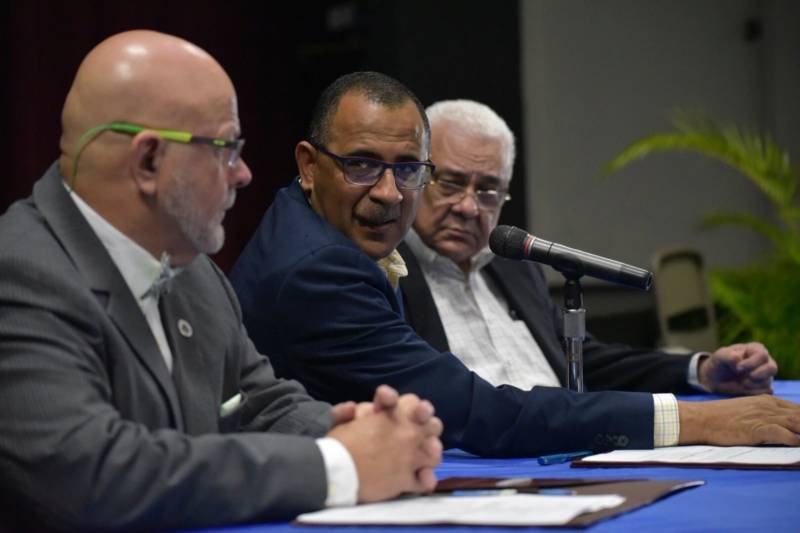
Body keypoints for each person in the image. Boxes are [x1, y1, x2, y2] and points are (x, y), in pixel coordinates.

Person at [230, 71, 800, 460]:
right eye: (360, 165)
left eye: (408, 170)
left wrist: (697, 375)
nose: (387, 193)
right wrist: (699, 421)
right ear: (308, 165)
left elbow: (575, 361)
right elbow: (475, 411)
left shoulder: (330, 236)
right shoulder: (320, 270)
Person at [0, 32, 442, 531]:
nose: (244, 174)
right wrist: (339, 466)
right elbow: (90, 474)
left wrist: (367, 433)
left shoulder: (194, 271)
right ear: (148, 161)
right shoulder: (20, 273)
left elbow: (259, 403)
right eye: (226, 149)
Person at [401, 98, 777, 396]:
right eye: (449, 183)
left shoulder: (513, 265)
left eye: (487, 190)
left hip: (568, 445)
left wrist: (701, 370)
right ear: (416, 177)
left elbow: (583, 360)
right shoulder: (389, 273)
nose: (468, 207)